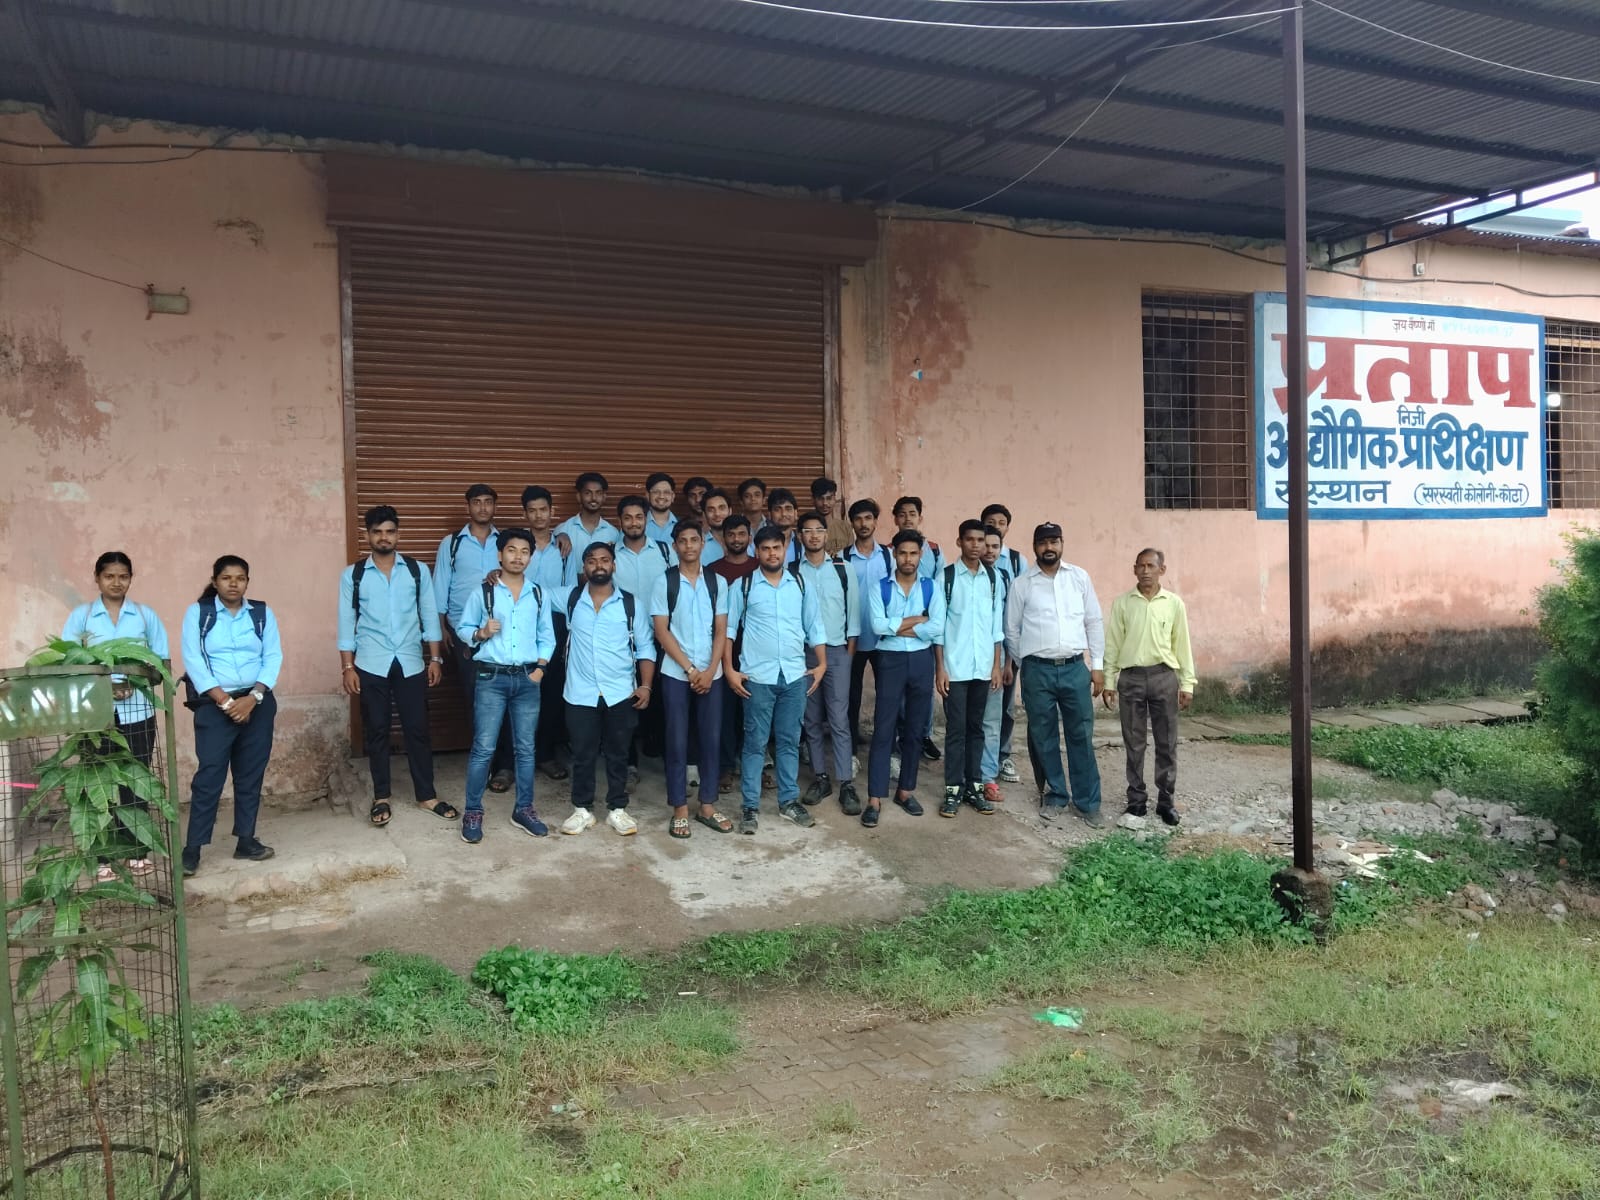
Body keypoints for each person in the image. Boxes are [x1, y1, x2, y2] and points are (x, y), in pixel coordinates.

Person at [338, 506, 451, 828]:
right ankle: (381, 796)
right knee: (377, 730)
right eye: (377, 532)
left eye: (389, 531)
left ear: (398, 534)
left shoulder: (416, 571)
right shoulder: (353, 575)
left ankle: (426, 795)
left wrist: (435, 659)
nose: (383, 537)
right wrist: (347, 667)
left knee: (418, 729)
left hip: (411, 662)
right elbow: (346, 622)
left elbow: (429, 615)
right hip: (370, 662)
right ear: (368, 535)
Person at [63, 551, 171, 881]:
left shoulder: (145, 616)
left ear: (130, 578)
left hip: (138, 712)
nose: (116, 582)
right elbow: (69, 662)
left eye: (123, 576)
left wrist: (133, 682)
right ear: (97, 578)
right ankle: (102, 857)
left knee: (135, 780)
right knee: (98, 783)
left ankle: (136, 851)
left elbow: (160, 663)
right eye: (109, 576)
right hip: (95, 715)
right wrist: (104, 687)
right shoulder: (82, 617)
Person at [179, 555, 282, 876]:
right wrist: (225, 702)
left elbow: (273, 656)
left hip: (257, 703)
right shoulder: (199, 613)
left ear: (247, 582)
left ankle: (246, 840)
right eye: (226, 578)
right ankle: (193, 848)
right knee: (210, 775)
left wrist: (253, 698)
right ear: (215, 581)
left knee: (250, 774)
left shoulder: (261, 613)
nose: (233, 584)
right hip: (214, 706)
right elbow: (194, 660)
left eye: (240, 578)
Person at [453, 529, 555, 844]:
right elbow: (463, 627)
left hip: (527, 679)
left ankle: (524, 809)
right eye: (511, 550)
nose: (517, 557)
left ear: (531, 557)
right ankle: (473, 811)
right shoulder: (483, 592)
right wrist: (481, 633)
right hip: (491, 678)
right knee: (484, 748)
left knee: (525, 749)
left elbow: (547, 636)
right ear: (500, 555)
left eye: (524, 551)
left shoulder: (538, 594)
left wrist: (540, 669)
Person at [723, 525, 827, 835]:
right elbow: (728, 630)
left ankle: (788, 802)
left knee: (788, 741)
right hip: (758, 677)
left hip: (794, 675)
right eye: (766, 548)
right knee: (755, 744)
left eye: (777, 548)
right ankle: (750, 807)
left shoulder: (800, 583)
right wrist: (729, 669)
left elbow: (814, 625)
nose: (772, 553)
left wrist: (821, 663)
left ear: (785, 550)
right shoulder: (743, 586)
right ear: (756, 552)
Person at [1004, 522, 1105, 826]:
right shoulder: (1022, 584)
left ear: (1062, 543)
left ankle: (1087, 802)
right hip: (1037, 672)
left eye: (1054, 541)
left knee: (1081, 735)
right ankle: (1055, 794)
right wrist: (1028, 662)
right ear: (1035, 546)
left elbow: (1094, 621)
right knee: (1043, 735)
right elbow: (1011, 630)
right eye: (1043, 542)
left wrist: (1097, 666)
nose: (1049, 547)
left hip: (1075, 668)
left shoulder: (1079, 578)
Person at [560, 542, 655, 836]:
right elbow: (529, 589)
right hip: (580, 693)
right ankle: (582, 809)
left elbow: (645, 647)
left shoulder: (631, 604)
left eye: (604, 560)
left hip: (620, 693)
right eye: (592, 560)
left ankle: (617, 809)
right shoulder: (570, 598)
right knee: (582, 754)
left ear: (614, 565)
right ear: (584, 567)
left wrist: (646, 686)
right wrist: (496, 575)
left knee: (618, 754)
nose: (598, 565)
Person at [650, 522, 735, 838]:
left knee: (711, 738)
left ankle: (707, 806)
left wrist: (711, 670)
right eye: (683, 541)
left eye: (694, 540)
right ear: (675, 546)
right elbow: (661, 631)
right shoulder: (665, 582)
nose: (689, 546)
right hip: (676, 673)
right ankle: (680, 809)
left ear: (702, 544)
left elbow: (721, 629)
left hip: (711, 673)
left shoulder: (717, 582)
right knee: (676, 740)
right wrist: (690, 669)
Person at [1103, 548, 1196, 827]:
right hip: (1131, 678)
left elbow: (1182, 644)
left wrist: (1187, 683)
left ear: (1161, 570)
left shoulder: (1173, 603)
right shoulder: (1123, 603)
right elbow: (1113, 644)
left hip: (1163, 677)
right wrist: (1109, 681)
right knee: (1134, 742)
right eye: (1141, 566)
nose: (1145, 571)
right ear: (1134, 569)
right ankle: (1136, 800)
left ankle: (1166, 802)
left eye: (1151, 566)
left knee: (1166, 742)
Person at [864, 530, 945, 827]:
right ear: (894, 555)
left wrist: (897, 627)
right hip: (890, 660)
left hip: (921, 660)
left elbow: (937, 626)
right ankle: (874, 797)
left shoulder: (931, 587)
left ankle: (905, 791)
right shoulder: (880, 588)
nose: (908, 559)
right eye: (902, 553)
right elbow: (877, 626)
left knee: (914, 729)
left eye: (913, 553)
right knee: (883, 728)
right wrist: (918, 621)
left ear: (920, 555)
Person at [434, 484, 511, 793]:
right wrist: (441, 628)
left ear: (495, 506)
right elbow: (441, 586)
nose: (482, 507)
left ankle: (504, 765)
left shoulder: (505, 542)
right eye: (476, 502)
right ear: (468, 507)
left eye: (488, 502)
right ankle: (485, 761)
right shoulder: (451, 544)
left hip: (499, 634)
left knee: (503, 697)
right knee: (474, 699)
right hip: (464, 635)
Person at [934, 520, 1002, 818]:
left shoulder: (993, 578)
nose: (976, 545)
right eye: (970, 539)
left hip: (983, 668)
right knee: (956, 730)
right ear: (959, 542)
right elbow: (938, 628)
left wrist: (996, 665)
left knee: (977, 728)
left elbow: (996, 626)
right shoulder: (947, 577)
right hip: (955, 668)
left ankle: (975, 786)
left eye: (980, 540)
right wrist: (940, 668)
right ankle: (953, 788)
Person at [795, 511, 861, 815]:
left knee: (839, 718)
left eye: (818, 530)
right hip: (805, 654)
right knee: (811, 719)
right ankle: (820, 777)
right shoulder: (793, 572)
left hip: (837, 653)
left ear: (826, 534)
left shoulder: (844, 570)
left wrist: (847, 655)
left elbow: (853, 617)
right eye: (807, 531)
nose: (813, 536)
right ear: (800, 536)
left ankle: (846, 782)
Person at [614, 496, 675, 769]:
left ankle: (658, 749)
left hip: (661, 636)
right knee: (625, 699)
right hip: (622, 639)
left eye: (639, 517)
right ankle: (629, 763)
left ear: (646, 519)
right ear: (620, 521)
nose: (634, 523)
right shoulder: (610, 554)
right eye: (627, 517)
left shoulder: (665, 551)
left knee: (660, 697)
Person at [520, 485, 571, 781]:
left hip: (555, 624)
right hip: (521, 625)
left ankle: (546, 755)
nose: (539, 515)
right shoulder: (517, 546)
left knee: (552, 692)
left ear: (552, 512)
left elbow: (571, 590)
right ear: (525, 514)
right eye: (532, 510)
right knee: (521, 691)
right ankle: (513, 759)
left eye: (543, 509)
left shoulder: (564, 549)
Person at [890, 495, 944, 762]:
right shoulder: (888, 551)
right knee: (897, 690)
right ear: (895, 519)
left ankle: (923, 734)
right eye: (902, 514)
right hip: (896, 628)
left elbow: (940, 588)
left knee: (925, 687)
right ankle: (901, 734)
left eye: (912, 513)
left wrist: (928, 621)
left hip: (927, 627)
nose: (907, 518)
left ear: (920, 517)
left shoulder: (934, 550)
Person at [710, 514, 759, 795]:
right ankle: (726, 766)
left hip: (757, 652)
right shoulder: (712, 572)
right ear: (723, 538)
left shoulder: (760, 568)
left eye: (742, 534)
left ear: (749, 538)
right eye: (731, 534)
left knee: (755, 712)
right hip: (723, 650)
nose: (737, 539)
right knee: (726, 712)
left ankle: (756, 765)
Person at [981, 502, 1027, 784]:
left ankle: (1002, 755)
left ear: (1008, 527)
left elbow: (1017, 609)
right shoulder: (972, 562)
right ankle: (979, 762)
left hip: (1008, 646)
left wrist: (1010, 658)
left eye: (1001, 522)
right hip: (977, 648)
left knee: (1005, 706)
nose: (996, 526)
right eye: (991, 522)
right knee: (983, 709)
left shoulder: (1016, 562)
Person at [843, 498, 893, 751]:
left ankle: (885, 742)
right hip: (852, 637)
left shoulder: (888, 555)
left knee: (887, 692)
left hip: (883, 638)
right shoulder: (842, 557)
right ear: (852, 523)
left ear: (875, 522)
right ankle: (851, 741)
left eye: (868, 518)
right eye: (858, 519)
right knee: (851, 693)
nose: (863, 524)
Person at [978, 526, 1015, 808]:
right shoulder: (953, 577)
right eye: (985, 545)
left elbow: (1008, 624)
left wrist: (1007, 663)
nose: (989, 551)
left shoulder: (1003, 577)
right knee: (965, 724)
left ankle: (988, 776)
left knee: (992, 722)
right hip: (963, 661)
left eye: (994, 546)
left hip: (996, 659)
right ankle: (965, 776)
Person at [555, 472, 620, 586]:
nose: (593, 498)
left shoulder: (613, 533)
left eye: (598, 493)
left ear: (604, 497)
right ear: (578, 496)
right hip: (570, 594)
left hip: (602, 594)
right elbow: (555, 568)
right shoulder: (563, 530)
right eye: (588, 493)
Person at [811, 477, 853, 557]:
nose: (825, 503)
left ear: (834, 499)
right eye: (820, 499)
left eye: (829, 498)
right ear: (813, 499)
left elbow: (850, 556)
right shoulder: (807, 529)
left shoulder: (845, 527)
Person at [765, 487, 802, 564]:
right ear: (769, 514)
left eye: (788, 509)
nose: (784, 514)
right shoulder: (761, 543)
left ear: (796, 513)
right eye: (777, 509)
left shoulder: (803, 542)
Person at [701, 488, 734, 566]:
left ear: (730, 511)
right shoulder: (700, 545)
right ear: (704, 514)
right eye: (711, 510)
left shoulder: (743, 541)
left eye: (722, 508)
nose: (717, 514)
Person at [644, 472, 679, 546]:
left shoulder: (683, 525)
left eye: (666, 492)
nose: (661, 496)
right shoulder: (637, 525)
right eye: (656, 492)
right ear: (647, 495)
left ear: (673, 496)